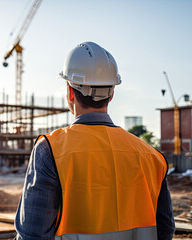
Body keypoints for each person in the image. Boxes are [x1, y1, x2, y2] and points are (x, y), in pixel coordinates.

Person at [15, 42, 175, 240]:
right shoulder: (152, 156)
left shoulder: (50, 150)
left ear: (71, 92)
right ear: (112, 94)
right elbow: (165, 230)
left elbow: (33, 235)